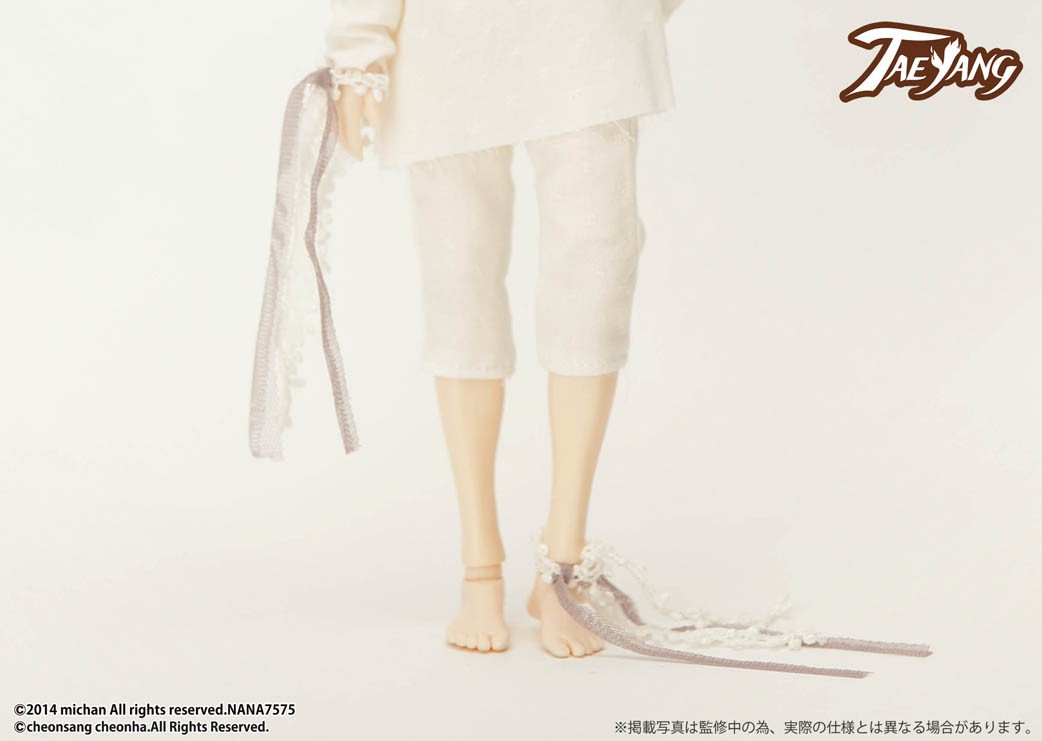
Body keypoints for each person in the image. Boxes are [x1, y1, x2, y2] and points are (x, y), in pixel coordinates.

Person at [325, 0, 684, 657]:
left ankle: (563, 564)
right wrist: (359, 45)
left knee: (595, 268)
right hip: (446, 35)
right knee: (458, 275)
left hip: (589, 31)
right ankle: (479, 565)